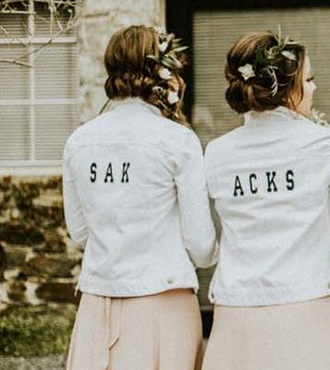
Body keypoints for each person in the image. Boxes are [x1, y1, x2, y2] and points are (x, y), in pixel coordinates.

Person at [63, 24, 216, 370]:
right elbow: (201, 245)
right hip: (164, 298)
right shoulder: (177, 140)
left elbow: (80, 231)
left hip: (100, 298)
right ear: (162, 72)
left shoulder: (78, 141)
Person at [201, 31, 330, 370]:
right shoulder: (324, 143)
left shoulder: (217, 152)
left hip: (239, 304)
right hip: (307, 299)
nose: (313, 87)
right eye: (308, 79)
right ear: (286, 90)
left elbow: (209, 232)